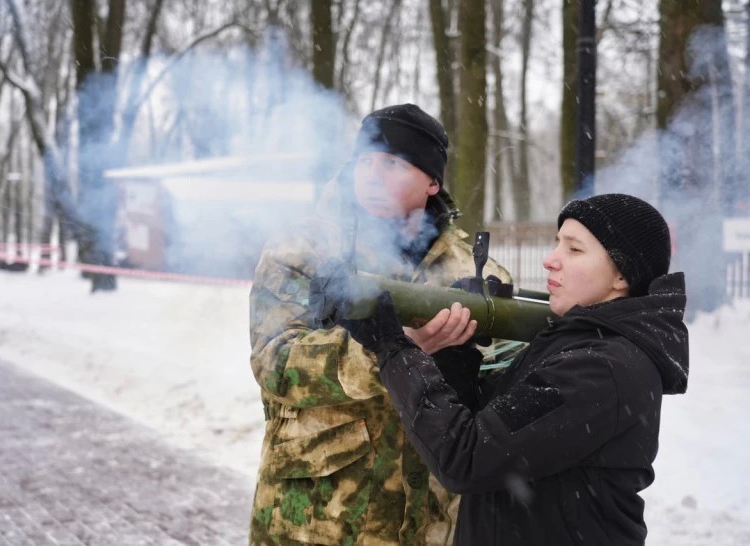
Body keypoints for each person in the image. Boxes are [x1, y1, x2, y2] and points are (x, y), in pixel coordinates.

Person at [339, 193, 689, 545]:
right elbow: (481, 427)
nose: (550, 260)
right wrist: (457, 351)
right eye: (556, 244)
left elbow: (467, 459)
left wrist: (392, 349)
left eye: (574, 250)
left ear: (622, 275)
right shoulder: (572, 344)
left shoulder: (602, 368)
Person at [247, 104, 514, 545]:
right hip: (317, 519)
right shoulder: (302, 250)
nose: (370, 174)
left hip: (426, 526)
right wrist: (392, 351)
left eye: (390, 162)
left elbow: (496, 405)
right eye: (364, 160)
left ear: (432, 181)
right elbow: (275, 363)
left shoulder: (473, 276)